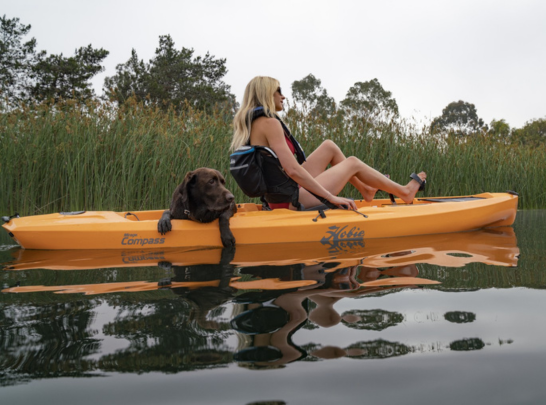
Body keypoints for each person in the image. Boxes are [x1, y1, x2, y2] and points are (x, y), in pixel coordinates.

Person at [230, 76, 426, 210]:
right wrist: (330, 198)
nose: (283, 96)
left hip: (280, 197)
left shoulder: (252, 124)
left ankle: (366, 190)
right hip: (291, 200)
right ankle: (405, 192)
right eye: (278, 91)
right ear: (266, 94)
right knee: (353, 162)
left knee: (329, 146)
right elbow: (293, 171)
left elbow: (285, 170)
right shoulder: (270, 123)